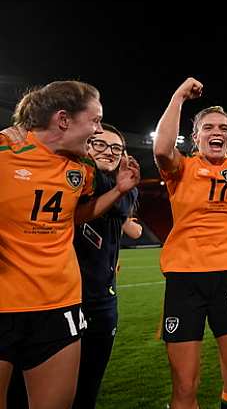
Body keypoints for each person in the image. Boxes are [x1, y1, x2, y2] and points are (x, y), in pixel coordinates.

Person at [0, 80, 139, 409]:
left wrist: (118, 191)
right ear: (64, 120)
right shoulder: (5, 151)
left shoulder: (82, 170)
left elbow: (75, 216)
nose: (99, 129)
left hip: (58, 303)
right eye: (95, 120)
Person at [154, 78, 227, 409]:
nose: (217, 131)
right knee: (185, 386)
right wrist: (178, 95)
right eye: (209, 127)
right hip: (184, 280)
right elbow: (160, 149)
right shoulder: (182, 167)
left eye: (224, 128)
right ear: (196, 136)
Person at [73, 123, 142, 408]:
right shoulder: (72, 177)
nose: (109, 152)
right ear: (85, 145)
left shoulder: (124, 188)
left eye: (116, 148)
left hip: (102, 300)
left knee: (89, 386)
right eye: (100, 144)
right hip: (63, 298)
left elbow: (123, 209)